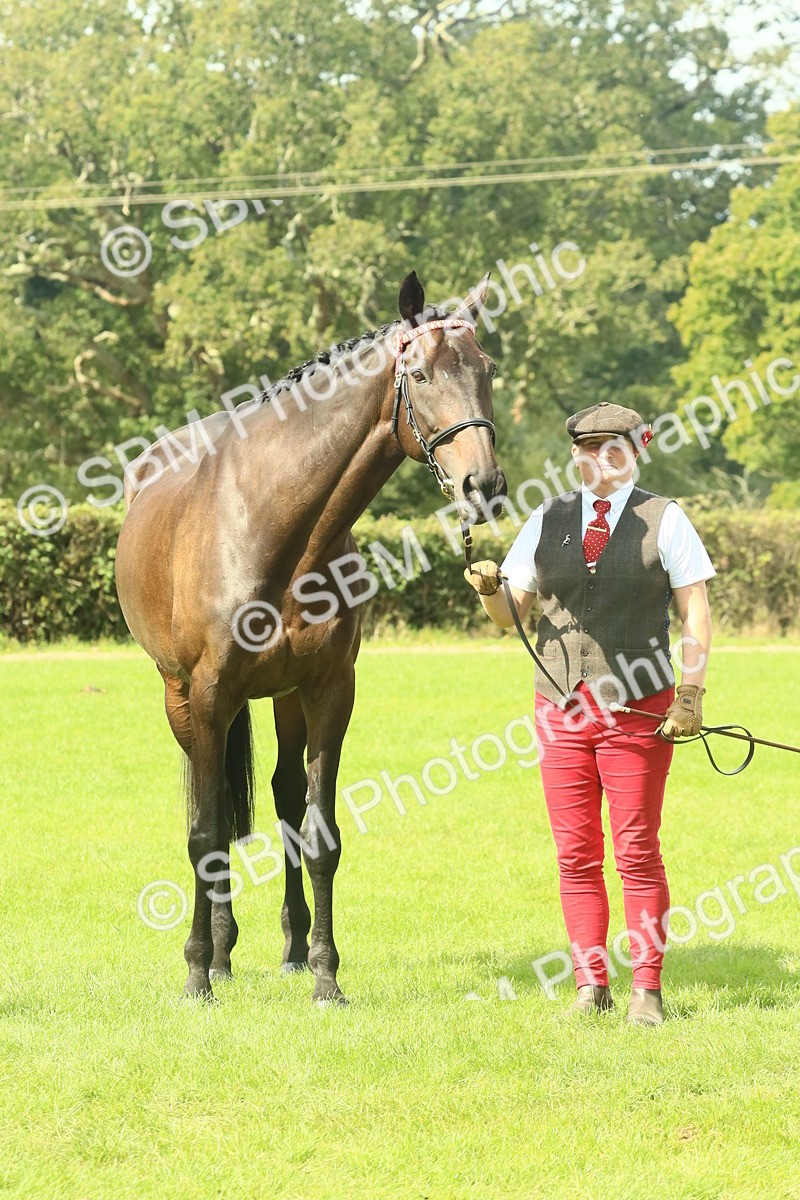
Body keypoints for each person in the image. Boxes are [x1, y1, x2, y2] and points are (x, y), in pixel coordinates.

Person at [465, 402, 714, 1025]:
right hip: (560, 706)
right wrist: (493, 589)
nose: (596, 461)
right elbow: (509, 622)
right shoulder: (546, 519)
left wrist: (691, 695)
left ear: (635, 450)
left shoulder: (666, 518)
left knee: (636, 850)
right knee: (575, 853)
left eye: (610, 449)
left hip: (639, 708)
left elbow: (695, 612)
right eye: (585, 449)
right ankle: (589, 984)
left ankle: (647, 991)